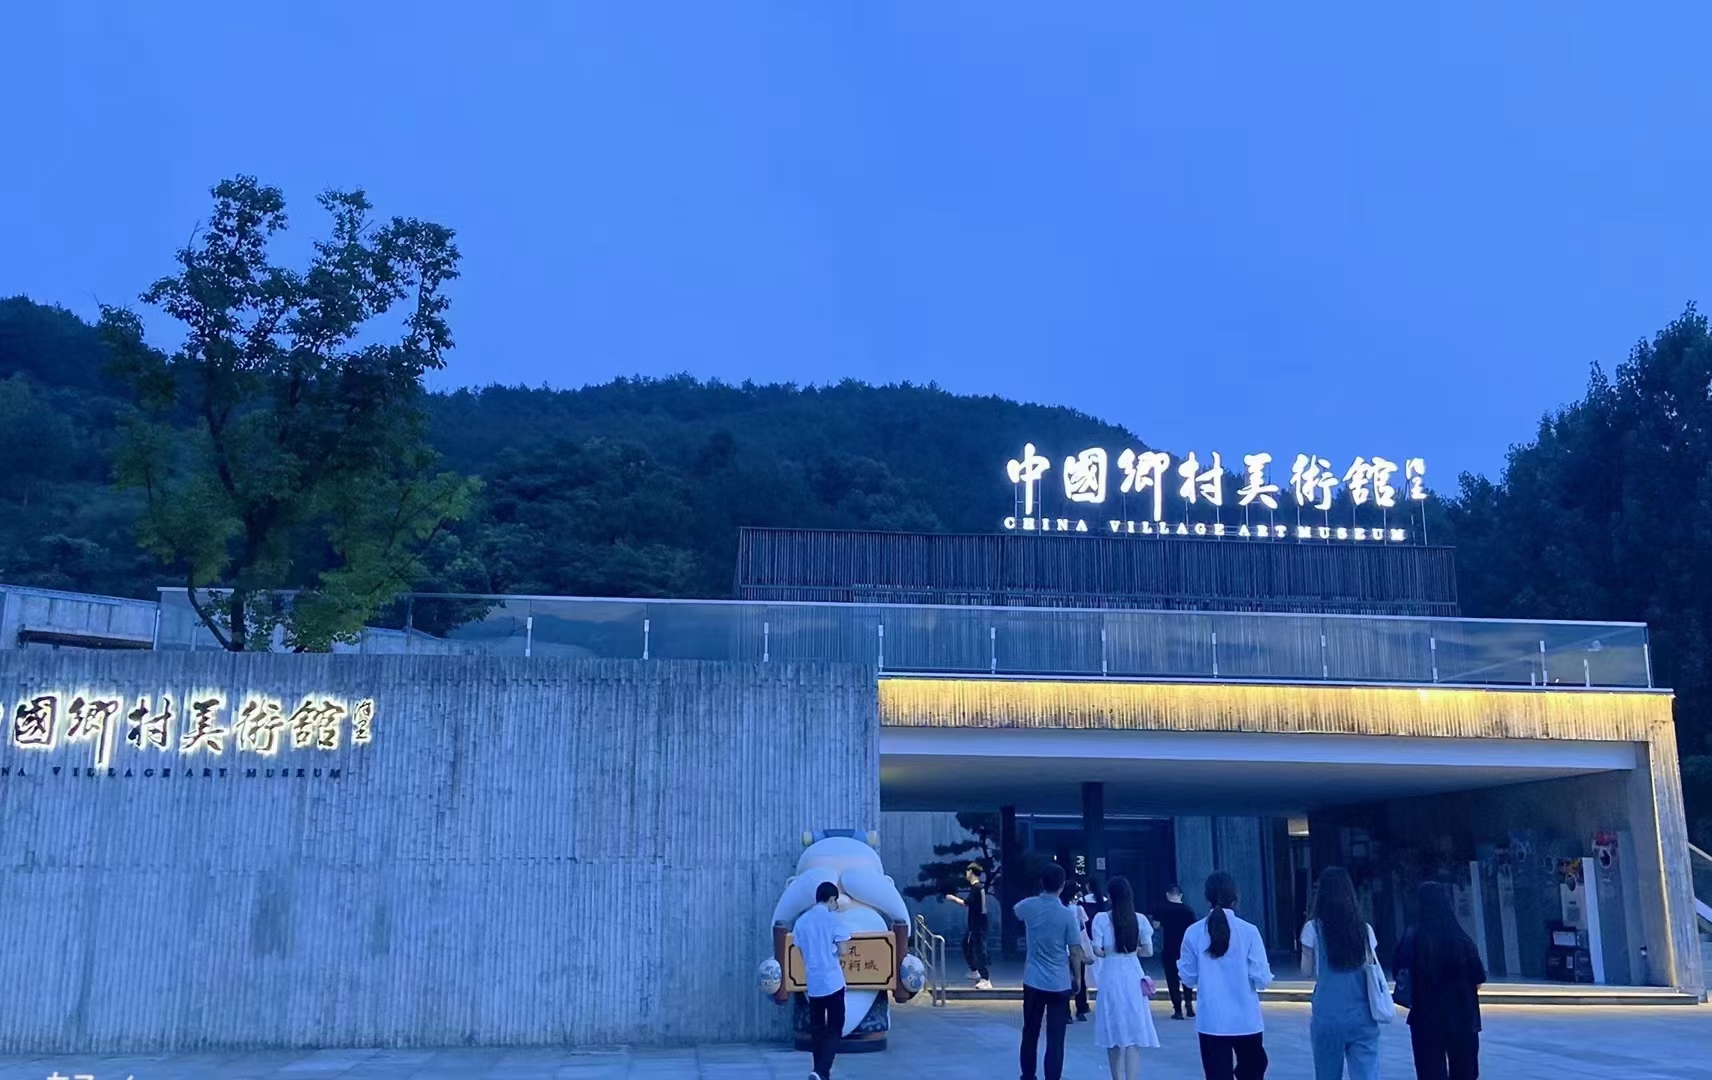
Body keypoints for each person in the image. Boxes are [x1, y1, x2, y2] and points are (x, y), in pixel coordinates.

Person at [1178, 871, 1274, 1080]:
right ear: (1235, 898)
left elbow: (1187, 977)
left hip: (1212, 1021)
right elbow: (1261, 978)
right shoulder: (1249, 931)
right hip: (1246, 1020)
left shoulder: (1194, 932)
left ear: (1207, 898)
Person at [1395, 881, 1486, 1080]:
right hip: (1462, 1016)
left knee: (1430, 1072)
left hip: (1425, 1016)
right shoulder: (1462, 938)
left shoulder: (1413, 937)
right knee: (1464, 1072)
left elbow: (1399, 972)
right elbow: (1478, 979)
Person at [1299, 867, 1380, 1080]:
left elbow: (1306, 971)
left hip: (1327, 1016)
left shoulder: (1312, 928)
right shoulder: (1364, 930)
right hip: (1363, 1016)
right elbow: (1371, 966)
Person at [1015, 862, 1087, 1080]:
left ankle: (1028, 1075)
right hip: (1059, 981)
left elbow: (1016, 911)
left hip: (1033, 979)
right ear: (1062, 885)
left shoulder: (1028, 906)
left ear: (1041, 882)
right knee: (1056, 1037)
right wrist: (1077, 978)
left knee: (1030, 1031)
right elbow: (1075, 950)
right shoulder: (1067, 915)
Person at [1092, 876, 1160, 1080]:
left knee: (1113, 1030)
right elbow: (1148, 951)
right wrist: (1131, 950)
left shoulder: (1101, 919)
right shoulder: (1140, 919)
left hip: (1111, 975)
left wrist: (1111, 951)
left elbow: (1097, 950)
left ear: (1110, 896)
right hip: (1133, 974)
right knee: (1133, 1032)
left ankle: (1117, 1077)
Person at [793, 880, 853, 1080]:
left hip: (813, 982)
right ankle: (820, 1071)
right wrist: (833, 949)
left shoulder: (801, 922)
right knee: (835, 1027)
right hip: (833, 981)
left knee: (817, 1030)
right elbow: (843, 950)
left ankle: (820, 1073)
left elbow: (801, 951)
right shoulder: (834, 919)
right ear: (832, 899)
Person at [1153, 883, 1198, 1020]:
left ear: (1168, 894)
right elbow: (1194, 930)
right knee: (1186, 976)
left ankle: (1177, 1009)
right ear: (1181, 895)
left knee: (1172, 979)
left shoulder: (1162, 909)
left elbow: (1156, 925)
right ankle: (1189, 1005)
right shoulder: (1188, 910)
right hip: (1185, 949)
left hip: (1169, 948)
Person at [944, 862, 993, 989]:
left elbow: (966, 903)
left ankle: (985, 978)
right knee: (966, 945)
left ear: (971, 872)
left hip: (978, 925)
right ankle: (974, 971)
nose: (966, 873)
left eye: (967, 871)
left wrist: (953, 898)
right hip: (976, 924)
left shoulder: (976, 887)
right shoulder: (978, 887)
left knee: (978, 950)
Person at [1064, 877, 1095, 1021]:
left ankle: (1065, 1012)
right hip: (1077, 947)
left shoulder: (1061, 909)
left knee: (1065, 979)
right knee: (1080, 978)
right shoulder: (1078, 909)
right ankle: (1081, 1009)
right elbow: (1083, 930)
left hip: (1063, 948)